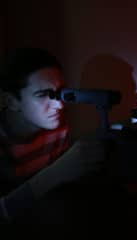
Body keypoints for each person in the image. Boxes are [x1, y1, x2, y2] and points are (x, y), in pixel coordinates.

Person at [0, 48, 110, 224]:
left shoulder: (56, 127)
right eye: (43, 95)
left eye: (59, 93)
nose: (59, 105)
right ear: (12, 101)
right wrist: (57, 172)